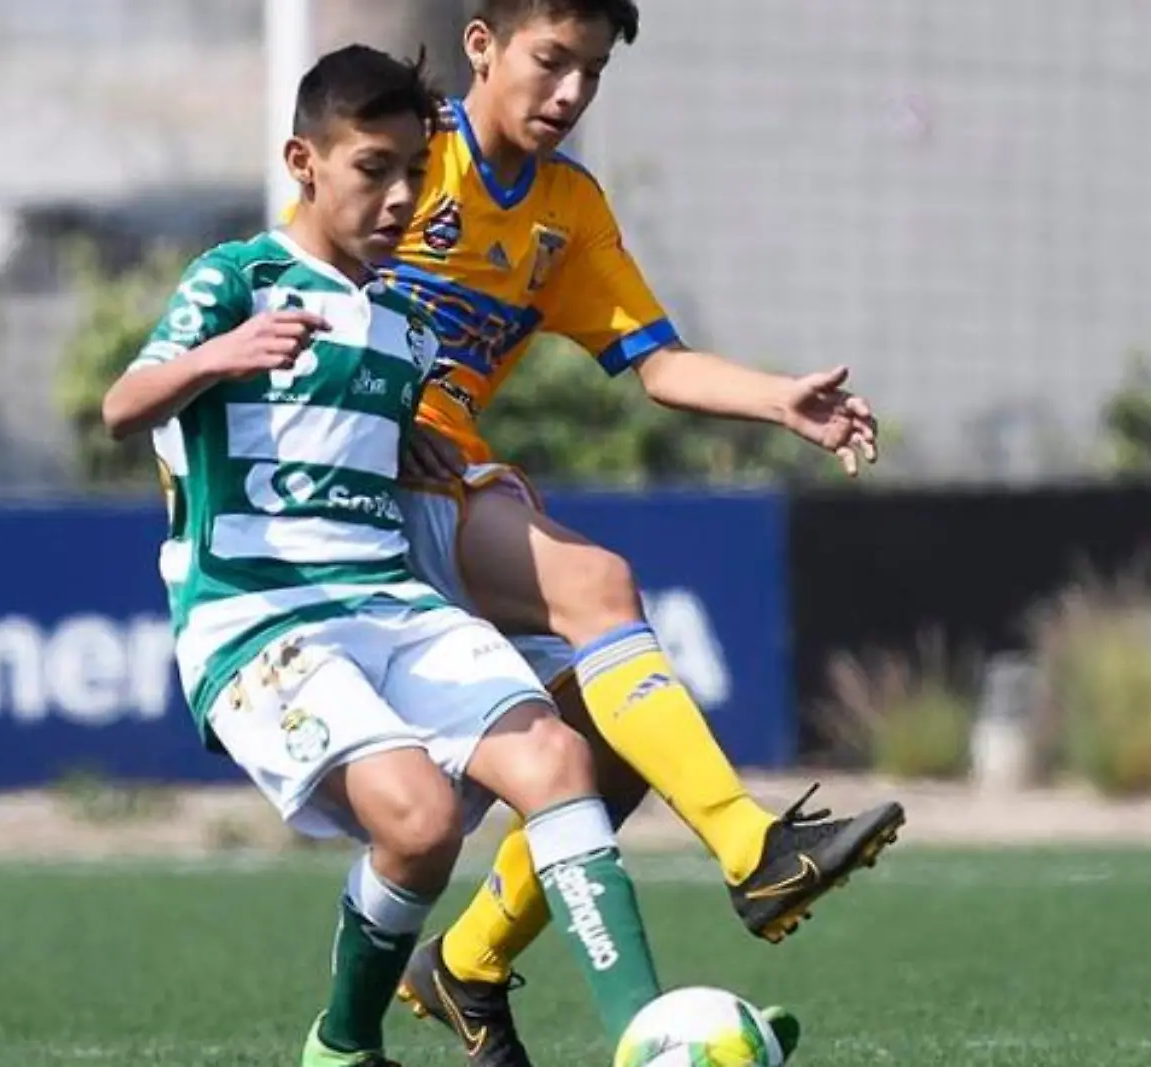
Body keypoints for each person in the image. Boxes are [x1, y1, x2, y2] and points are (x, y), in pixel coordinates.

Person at [101, 44, 724, 1067]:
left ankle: (647, 1037)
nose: (399, 197)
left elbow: (368, 424)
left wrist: (413, 438)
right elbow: (124, 407)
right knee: (421, 822)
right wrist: (219, 355)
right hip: (262, 616)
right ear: (303, 160)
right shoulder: (236, 278)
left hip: (391, 600)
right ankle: (343, 1043)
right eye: (372, 170)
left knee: (559, 760)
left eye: (411, 173)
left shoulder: (400, 322)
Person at [382, 3, 906, 1064]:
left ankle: (466, 963)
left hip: (441, 475)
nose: (570, 93)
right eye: (550, 61)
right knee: (598, 581)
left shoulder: (565, 211)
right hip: (357, 480)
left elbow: (657, 363)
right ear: (480, 44)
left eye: (592, 72)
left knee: (604, 753)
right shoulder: (403, 151)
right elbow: (296, 272)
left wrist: (778, 401)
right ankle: (752, 848)